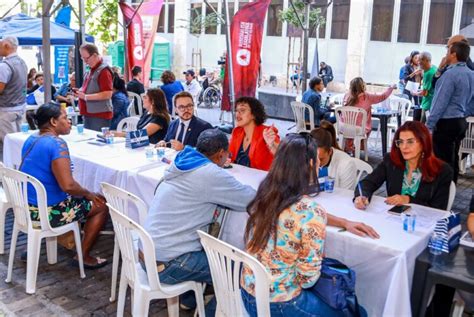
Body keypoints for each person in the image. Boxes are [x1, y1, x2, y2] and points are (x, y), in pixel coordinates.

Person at [241, 133, 368, 317]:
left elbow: (298, 214)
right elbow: (307, 280)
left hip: (248, 292)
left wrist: (343, 222)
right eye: (317, 160)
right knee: (357, 312)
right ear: (310, 164)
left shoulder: (267, 193)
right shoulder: (309, 210)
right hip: (280, 303)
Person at [144, 128, 256, 315]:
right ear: (221, 154)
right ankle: (212, 312)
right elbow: (250, 199)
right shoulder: (209, 174)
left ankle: (189, 300)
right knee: (239, 272)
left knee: (209, 253)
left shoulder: (184, 160)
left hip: (149, 253)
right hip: (168, 262)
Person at [20, 103, 109, 268]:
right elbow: (68, 185)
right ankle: (83, 256)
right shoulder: (56, 143)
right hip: (47, 213)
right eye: (65, 118)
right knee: (101, 204)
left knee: (81, 195)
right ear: (53, 122)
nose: (69, 122)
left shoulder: (32, 138)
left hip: (26, 207)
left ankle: (38, 244)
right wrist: (88, 194)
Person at [354, 121, 453, 211]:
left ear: (423, 143)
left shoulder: (442, 171)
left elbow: (438, 209)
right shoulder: (391, 161)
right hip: (393, 220)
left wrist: (409, 200)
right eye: (400, 142)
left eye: (410, 141)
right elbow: (367, 182)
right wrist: (361, 196)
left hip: (422, 224)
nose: (404, 147)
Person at [427, 41, 473, 184]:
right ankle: (450, 188)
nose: (445, 55)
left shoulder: (450, 75)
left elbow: (439, 102)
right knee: (452, 158)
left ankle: (443, 194)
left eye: (448, 52)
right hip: (461, 121)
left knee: (442, 161)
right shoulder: (471, 74)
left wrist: (429, 125)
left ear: (454, 55)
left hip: (446, 122)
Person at [343, 77, 395, 153]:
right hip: (359, 128)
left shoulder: (347, 95)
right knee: (366, 127)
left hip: (344, 127)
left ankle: (349, 147)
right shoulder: (367, 97)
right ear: (363, 86)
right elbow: (383, 96)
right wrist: (391, 88)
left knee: (352, 125)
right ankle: (359, 147)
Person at [228, 97, 280, 171]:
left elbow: (283, 156)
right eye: (236, 110)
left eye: (242, 110)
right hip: (239, 177)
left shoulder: (267, 132)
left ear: (253, 114)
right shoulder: (237, 131)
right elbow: (230, 156)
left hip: (261, 179)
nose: (237, 113)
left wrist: (272, 145)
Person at [74, 43, 113, 131]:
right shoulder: (91, 69)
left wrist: (85, 97)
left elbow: (107, 94)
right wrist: (80, 92)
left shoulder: (104, 71)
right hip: (89, 113)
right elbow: (90, 88)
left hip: (99, 114)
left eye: (86, 58)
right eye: (82, 58)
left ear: (95, 55)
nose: (84, 61)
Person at [0, 36, 28, 148]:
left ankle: (9, 166)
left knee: (9, 146)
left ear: (6, 45)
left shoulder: (4, 66)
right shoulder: (22, 63)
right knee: (19, 143)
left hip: (7, 110)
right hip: (20, 107)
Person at [412, 52, 437, 123]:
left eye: (420, 60)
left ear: (426, 60)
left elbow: (425, 93)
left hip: (428, 104)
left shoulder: (428, 73)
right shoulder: (434, 68)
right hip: (433, 102)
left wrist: (416, 93)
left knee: (423, 126)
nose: (418, 62)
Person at [401, 51, 422, 120]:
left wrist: (422, 74)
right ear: (412, 58)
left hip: (417, 87)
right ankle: (403, 120)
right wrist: (414, 73)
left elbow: (423, 78)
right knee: (406, 105)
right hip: (409, 87)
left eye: (419, 58)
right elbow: (405, 78)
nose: (417, 59)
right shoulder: (407, 66)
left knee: (418, 105)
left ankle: (416, 121)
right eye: (415, 58)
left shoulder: (421, 66)